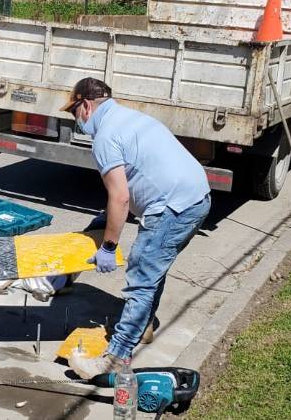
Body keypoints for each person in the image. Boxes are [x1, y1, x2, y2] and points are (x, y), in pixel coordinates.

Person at [60, 78, 211, 378]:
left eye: (74, 113)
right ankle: (143, 327)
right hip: (198, 199)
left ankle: (115, 359)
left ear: (86, 106)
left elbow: (120, 196)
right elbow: (131, 183)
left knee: (142, 277)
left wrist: (108, 247)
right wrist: (103, 222)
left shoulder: (104, 137)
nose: (75, 120)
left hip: (172, 208)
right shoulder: (130, 118)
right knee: (154, 269)